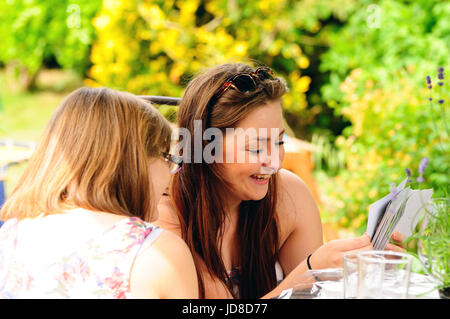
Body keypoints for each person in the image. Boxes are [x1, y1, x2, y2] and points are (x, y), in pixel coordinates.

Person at [155, 63, 406, 299]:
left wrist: (363, 272)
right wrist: (309, 272)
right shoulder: (166, 217)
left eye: (279, 142)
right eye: (255, 148)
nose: (274, 162)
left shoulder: (289, 194)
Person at [0, 87, 198, 299]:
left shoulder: (11, 236)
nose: (172, 173)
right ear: (135, 162)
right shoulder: (157, 253)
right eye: (167, 158)